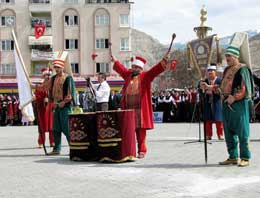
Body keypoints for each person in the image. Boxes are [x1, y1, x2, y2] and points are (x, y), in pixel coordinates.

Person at [111, 54, 171, 158]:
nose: (132, 68)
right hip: (128, 108)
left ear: (140, 68)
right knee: (129, 130)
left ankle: (142, 150)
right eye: (132, 67)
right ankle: (129, 150)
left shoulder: (146, 76)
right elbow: (121, 69)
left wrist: (164, 60)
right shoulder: (128, 75)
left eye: (134, 67)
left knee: (141, 131)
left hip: (140, 109)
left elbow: (155, 70)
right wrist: (115, 60)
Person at [219, 32, 254, 167]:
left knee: (242, 131)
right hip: (226, 103)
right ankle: (233, 156)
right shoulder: (227, 69)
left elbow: (245, 87)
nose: (227, 58)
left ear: (236, 56)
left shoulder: (243, 69)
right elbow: (223, 86)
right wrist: (210, 87)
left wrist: (235, 97)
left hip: (238, 104)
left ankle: (245, 157)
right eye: (226, 56)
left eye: (229, 56)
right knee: (229, 131)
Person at [31, 51, 76, 155]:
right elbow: (44, 87)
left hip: (65, 106)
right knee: (55, 128)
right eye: (55, 67)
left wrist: (64, 102)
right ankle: (57, 148)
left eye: (58, 67)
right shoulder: (53, 78)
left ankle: (74, 147)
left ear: (62, 67)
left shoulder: (68, 78)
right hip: (56, 106)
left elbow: (71, 93)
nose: (57, 69)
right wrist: (33, 86)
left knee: (66, 128)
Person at [200, 64, 224, 140]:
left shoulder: (220, 80)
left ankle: (220, 134)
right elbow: (200, 91)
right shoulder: (205, 81)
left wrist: (212, 90)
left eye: (211, 73)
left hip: (217, 101)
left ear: (215, 72)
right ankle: (208, 134)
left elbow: (221, 89)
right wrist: (203, 90)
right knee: (208, 120)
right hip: (208, 102)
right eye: (209, 73)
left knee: (218, 119)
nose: (210, 74)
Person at [34, 68, 55, 148]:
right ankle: (41, 142)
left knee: (52, 127)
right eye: (46, 75)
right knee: (42, 127)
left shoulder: (53, 85)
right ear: (43, 76)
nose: (47, 77)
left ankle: (52, 142)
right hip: (42, 109)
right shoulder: (39, 85)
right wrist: (43, 98)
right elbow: (37, 96)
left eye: (49, 75)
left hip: (51, 108)